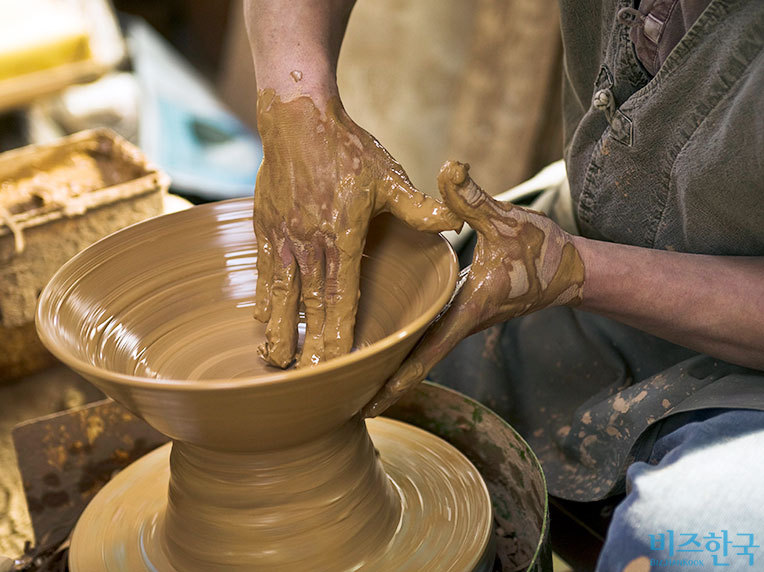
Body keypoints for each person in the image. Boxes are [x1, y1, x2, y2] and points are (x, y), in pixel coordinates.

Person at [244, 1, 764, 569]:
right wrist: (296, 101)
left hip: (742, 350)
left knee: (684, 546)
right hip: (592, 233)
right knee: (359, 365)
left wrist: (576, 271)